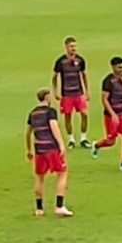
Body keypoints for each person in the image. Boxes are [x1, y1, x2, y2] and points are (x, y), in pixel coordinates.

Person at [25, 88, 73, 217]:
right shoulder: (50, 112)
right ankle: (59, 206)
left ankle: (39, 208)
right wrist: (61, 144)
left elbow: (28, 133)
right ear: (46, 97)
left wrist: (28, 149)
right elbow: (54, 127)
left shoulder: (32, 113)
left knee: (39, 178)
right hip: (51, 147)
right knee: (62, 173)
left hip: (39, 149)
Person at [90, 56, 122, 173]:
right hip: (111, 115)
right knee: (111, 142)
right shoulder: (108, 81)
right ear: (113, 67)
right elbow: (104, 99)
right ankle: (97, 145)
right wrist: (113, 114)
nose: (121, 69)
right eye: (119, 67)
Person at [51, 36, 90, 149]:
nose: (74, 48)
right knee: (68, 116)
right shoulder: (61, 61)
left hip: (78, 93)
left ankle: (83, 138)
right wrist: (55, 91)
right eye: (71, 46)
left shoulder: (80, 60)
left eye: (75, 46)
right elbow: (54, 76)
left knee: (84, 114)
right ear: (66, 47)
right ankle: (71, 139)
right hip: (66, 94)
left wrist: (87, 91)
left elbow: (84, 75)